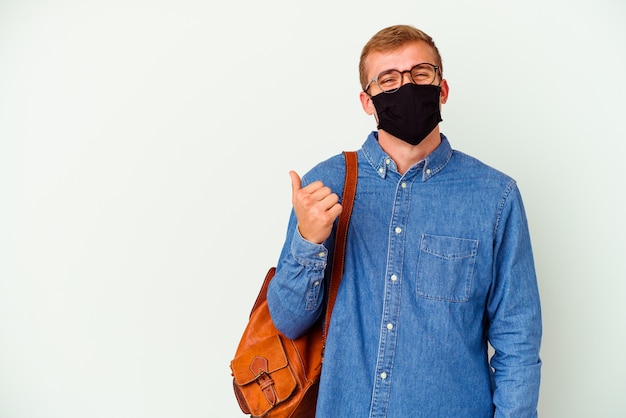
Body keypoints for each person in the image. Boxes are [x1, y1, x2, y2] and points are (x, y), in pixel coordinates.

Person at [266, 24, 542, 417]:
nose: (407, 87)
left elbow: (518, 341)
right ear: (367, 101)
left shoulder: (494, 197)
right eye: (389, 80)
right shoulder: (325, 186)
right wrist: (309, 241)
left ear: (442, 90)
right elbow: (289, 321)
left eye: (420, 74)